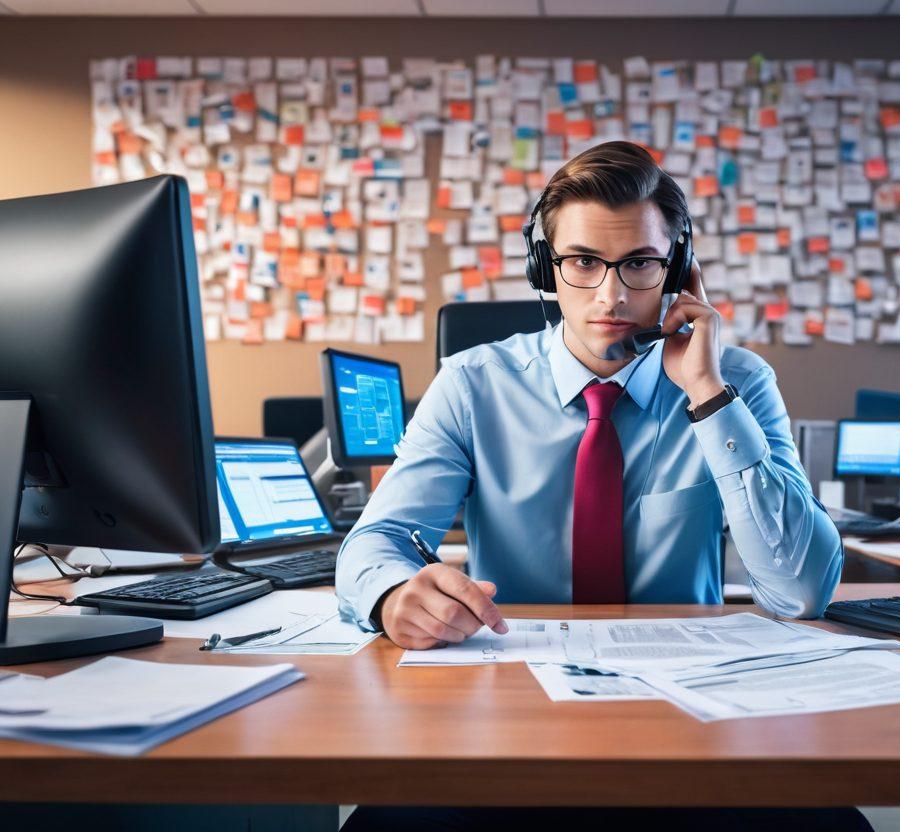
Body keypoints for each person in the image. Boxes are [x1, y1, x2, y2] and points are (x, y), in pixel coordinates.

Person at [338, 141, 865, 832]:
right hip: (507, 711)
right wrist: (390, 595)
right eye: (584, 262)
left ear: (677, 271)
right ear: (545, 269)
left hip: (693, 719)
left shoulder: (737, 381)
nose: (612, 295)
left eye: (640, 263)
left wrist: (707, 396)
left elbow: (801, 590)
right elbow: (373, 543)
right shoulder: (471, 385)